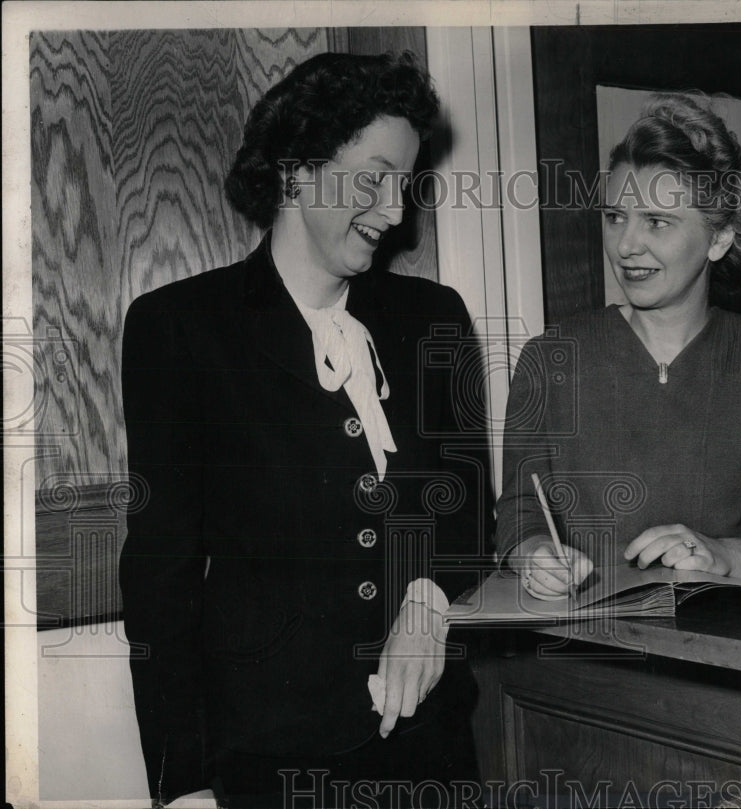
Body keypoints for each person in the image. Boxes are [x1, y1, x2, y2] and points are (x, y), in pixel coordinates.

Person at [119, 52, 489, 808]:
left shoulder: (433, 319)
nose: (394, 211)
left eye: (406, 184)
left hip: (429, 744)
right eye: (375, 177)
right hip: (269, 757)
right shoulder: (180, 328)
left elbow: (467, 504)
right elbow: (162, 574)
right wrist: (182, 778)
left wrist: (426, 599)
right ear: (298, 167)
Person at [496, 92, 741, 599]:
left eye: (656, 221)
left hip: (721, 658)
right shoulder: (549, 359)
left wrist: (724, 557)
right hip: (577, 663)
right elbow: (520, 513)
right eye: (615, 217)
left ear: (719, 238)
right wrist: (533, 555)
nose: (626, 245)